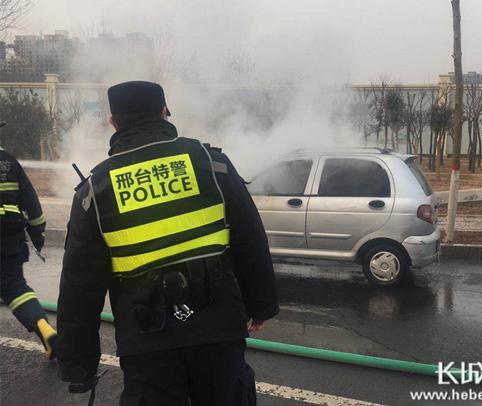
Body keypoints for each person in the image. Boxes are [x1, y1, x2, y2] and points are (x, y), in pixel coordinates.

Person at [56, 81, 279, 406]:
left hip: (146, 344)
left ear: (113, 122)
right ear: (164, 112)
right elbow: (249, 238)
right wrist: (261, 305)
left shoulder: (97, 191)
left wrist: (79, 366)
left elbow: (79, 287)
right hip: (218, 330)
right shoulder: (209, 163)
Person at [0, 124, 57, 360]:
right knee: (15, 288)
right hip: (9, 237)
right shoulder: (9, 162)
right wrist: (38, 235)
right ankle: (44, 327)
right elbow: (31, 202)